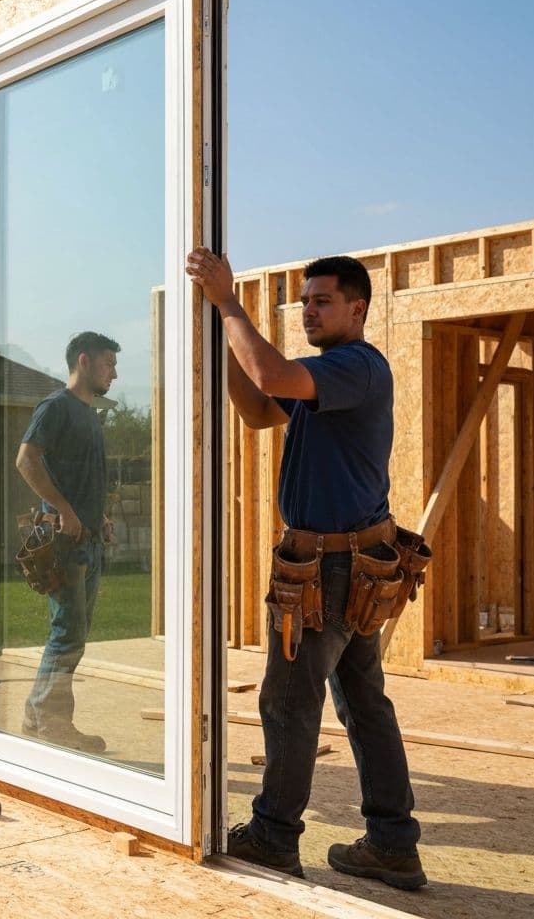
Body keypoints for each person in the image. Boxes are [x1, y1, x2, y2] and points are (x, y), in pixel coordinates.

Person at [186, 248, 426, 890]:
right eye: (306, 301)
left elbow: (269, 375)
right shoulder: (325, 379)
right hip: (351, 562)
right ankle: (393, 844)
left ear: (358, 308)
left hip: (333, 568)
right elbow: (259, 408)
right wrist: (219, 338)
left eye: (323, 300)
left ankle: (273, 837)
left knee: (290, 702)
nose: (309, 310)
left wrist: (228, 303)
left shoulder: (357, 367)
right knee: (363, 703)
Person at [16, 331, 119, 754]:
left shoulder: (89, 414)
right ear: (83, 360)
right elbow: (26, 460)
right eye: (107, 364)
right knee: (68, 632)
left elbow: (82, 478)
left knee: (74, 631)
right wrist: (62, 510)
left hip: (87, 539)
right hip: (65, 542)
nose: (114, 372)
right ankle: (52, 722)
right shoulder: (56, 407)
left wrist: (99, 518)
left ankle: (38, 716)